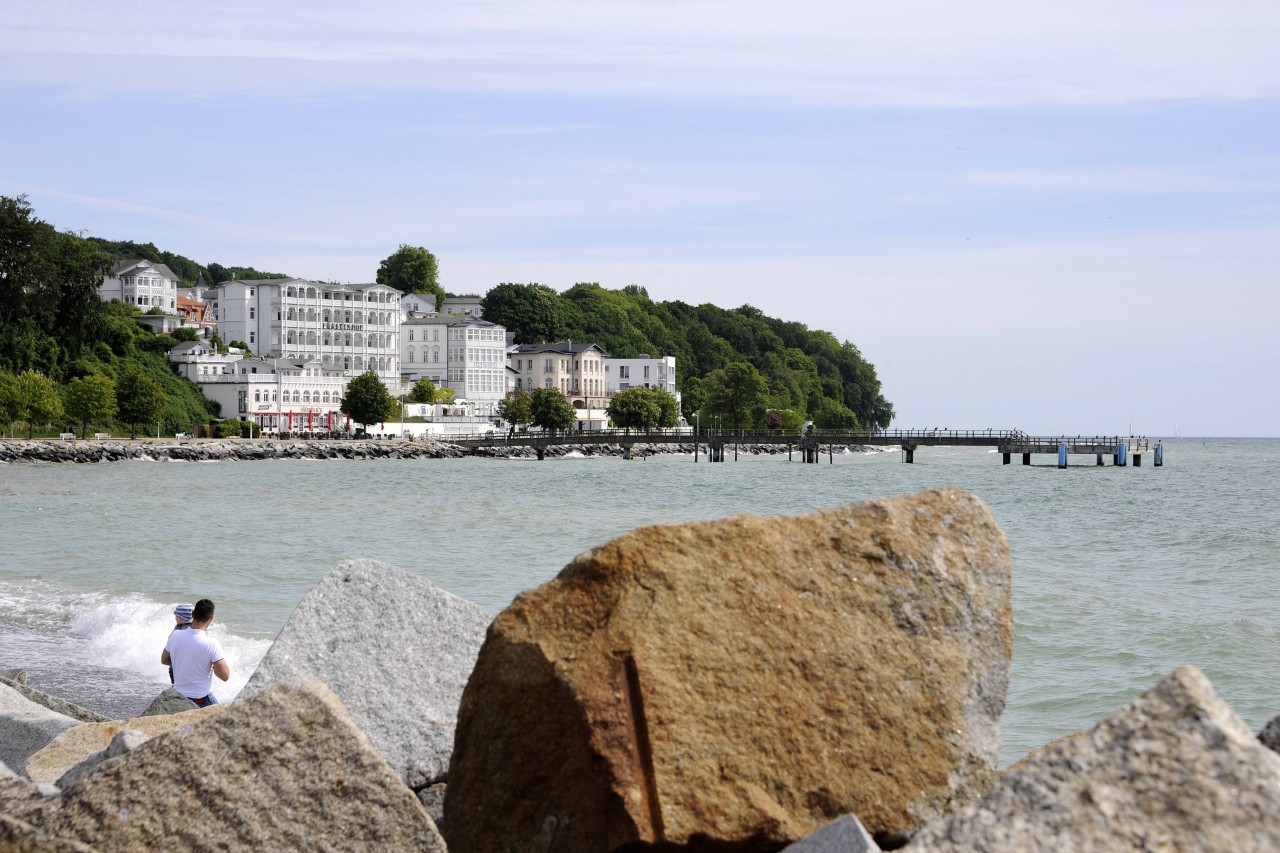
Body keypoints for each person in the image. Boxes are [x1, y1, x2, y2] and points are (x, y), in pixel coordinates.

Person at [161, 598, 230, 707]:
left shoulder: (175, 635)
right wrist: (214, 668)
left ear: (193, 614)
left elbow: (164, 660)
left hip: (178, 695)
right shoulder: (211, 643)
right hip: (201, 699)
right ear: (211, 618)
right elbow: (225, 676)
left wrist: (183, 662)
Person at [167, 602, 194, 684]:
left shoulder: (180, 630)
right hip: (193, 663)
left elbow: (171, 643)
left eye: (176, 616)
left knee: (172, 669)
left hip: (180, 663)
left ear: (182, 618)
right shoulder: (196, 628)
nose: (175, 618)